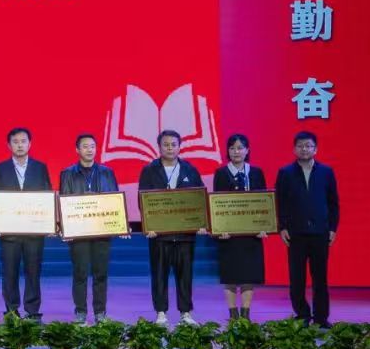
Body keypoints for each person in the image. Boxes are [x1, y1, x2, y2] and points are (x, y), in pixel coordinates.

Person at [138, 130, 204, 326]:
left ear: (179, 146)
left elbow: (199, 198)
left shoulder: (190, 170)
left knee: (185, 274)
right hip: (159, 234)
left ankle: (185, 313)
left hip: (185, 234)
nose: (170, 148)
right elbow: (143, 200)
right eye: (166, 144)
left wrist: (200, 223)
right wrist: (148, 225)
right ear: (159, 147)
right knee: (159, 274)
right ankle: (161, 312)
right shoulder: (149, 170)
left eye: (173, 144)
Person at [275, 131, 339, 328]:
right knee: (297, 277)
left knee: (320, 277)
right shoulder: (285, 173)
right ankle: (302, 314)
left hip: (320, 232)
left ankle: (321, 317)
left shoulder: (326, 172)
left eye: (308, 146)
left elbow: (333, 203)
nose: (304, 149)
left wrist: (333, 228)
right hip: (296, 233)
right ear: (294, 149)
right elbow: (280, 202)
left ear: (315, 149)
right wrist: (282, 227)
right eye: (300, 145)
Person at [0, 127, 52, 320]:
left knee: (33, 272)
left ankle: (32, 311)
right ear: (9, 145)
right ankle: (11, 311)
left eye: (23, 141)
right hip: (10, 233)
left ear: (30, 144)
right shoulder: (0, 168)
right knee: (10, 272)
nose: (19, 145)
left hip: (34, 232)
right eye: (15, 142)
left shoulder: (40, 167)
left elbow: (47, 195)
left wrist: (50, 223)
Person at [59, 133, 122, 324]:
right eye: (85, 146)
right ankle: (80, 312)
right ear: (77, 150)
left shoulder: (107, 172)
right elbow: (64, 201)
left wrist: (120, 224)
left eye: (93, 146)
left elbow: (114, 200)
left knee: (100, 273)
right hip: (78, 232)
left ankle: (100, 312)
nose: (89, 150)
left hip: (101, 232)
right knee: (80, 273)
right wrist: (65, 227)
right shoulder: (67, 173)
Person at [213, 134, 267, 320]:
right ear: (228, 151)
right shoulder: (221, 173)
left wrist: (263, 226)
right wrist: (220, 229)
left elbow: (264, 202)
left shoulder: (256, 172)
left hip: (251, 234)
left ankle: (245, 313)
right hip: (229, 234)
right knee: (230, 275)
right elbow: (217, 204)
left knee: (248, 275)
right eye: (232, 148)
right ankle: (232, 313)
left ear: (247, 150)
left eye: (240, 148)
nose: (236, 152)